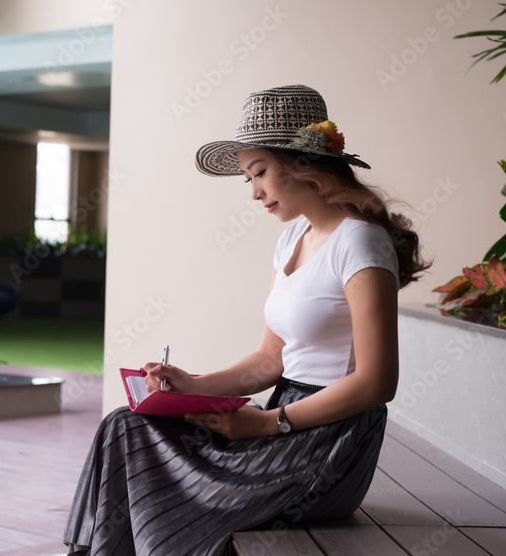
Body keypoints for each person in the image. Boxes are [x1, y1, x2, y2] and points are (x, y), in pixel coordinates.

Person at [63, 84, 429, 555]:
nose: (254, 193)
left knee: (179, 491)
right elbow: (269, 359)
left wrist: (268, 424)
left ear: (304, 165)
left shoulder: (361, 243)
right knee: (125, 426)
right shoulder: (292, 239)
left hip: (329, 439)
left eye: (260, 173)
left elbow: (377, 384)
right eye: (247, 179)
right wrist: (192, 386)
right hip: (282, 415)